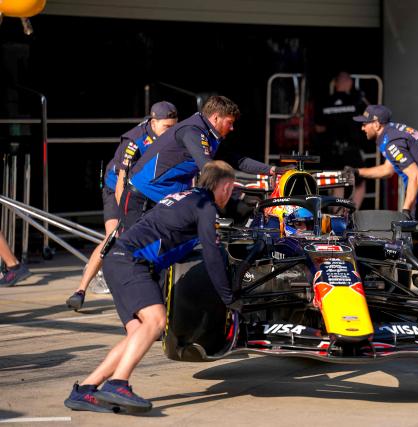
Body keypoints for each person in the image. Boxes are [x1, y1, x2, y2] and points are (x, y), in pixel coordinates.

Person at [63, 160, 238, 413]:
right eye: (231, 189)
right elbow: (211, 254)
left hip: (117, 260)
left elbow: (170, 236)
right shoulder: (206, 205)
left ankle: (86, 390)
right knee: (156, 321)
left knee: (139, 332)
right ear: (225, 187)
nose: (230, 195)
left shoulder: (185, 197)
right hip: (131, 261)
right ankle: (118, 384)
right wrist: (227, 297)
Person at [65, 101, 178, 310]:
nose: (170, 132)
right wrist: (125, 216)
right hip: (116, 189)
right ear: (153, 123)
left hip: (144, 191)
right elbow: (120, 183)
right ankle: (80, 290)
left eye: (174, 126)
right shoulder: (134, 141)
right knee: (115, 235)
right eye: (166, 128)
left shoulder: (175, 136)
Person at [120, 95, 280, 233]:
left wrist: (273, 170)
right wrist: (241, 195)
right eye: (229, 122)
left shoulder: (209, 134)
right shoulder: (193, 131)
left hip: (164, 195)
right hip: (142, 197)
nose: (232, 128)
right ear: (216, 118)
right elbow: (208, 169)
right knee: (133, 253)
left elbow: (239, 160)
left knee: (174, 248)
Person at [348, 104, 418, 248]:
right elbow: (388, 170)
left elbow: (415, 176)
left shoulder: (391, 141)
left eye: (364, 124)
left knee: (412, 249)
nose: (362, 128)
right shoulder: (396, 131)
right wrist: (357, 172)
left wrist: (405, 211)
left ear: (376, 124)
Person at [314, 71, 369, 207]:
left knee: (337, 184)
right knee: (360, 183)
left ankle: (337, 218)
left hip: (330, 150)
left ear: (335, 84)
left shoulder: (325, 101)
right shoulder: (356, 101)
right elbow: (371, 117)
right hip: (351, 150)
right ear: (350, 83)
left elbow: (318, 127)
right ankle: (352, 212)